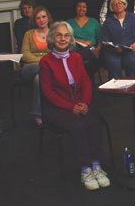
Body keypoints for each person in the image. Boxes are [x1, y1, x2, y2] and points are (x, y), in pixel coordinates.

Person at [39, 21, 110, 191]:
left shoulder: (77, 57)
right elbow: (48, 92)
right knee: (77, 124)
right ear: (52, 38)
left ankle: (96, 165)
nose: (62, 38)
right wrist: (70, 106)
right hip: (57, 107)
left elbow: (86, 82)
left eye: (66, 35)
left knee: (94, 121)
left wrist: (85, 102)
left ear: (71, 39)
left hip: (79, 102)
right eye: (58, 35)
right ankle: (85, 169)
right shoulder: (45, 62)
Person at [101, 0, 135, 79]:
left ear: (124, 4)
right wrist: (114, 47)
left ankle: (131, 83)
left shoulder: (134, 17)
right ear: (111, 7)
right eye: (114, 4)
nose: (117, 5)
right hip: (114, 49)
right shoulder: (108, 22)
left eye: (120, 3)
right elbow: (105, 39)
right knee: (113, 62)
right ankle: (117, 86)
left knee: (131, 60)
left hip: (133, 48)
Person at [21, 6, 51, 126]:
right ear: (35, 20)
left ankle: (38, 113)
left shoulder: (55, 33)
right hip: (30, 68)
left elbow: (58, 52)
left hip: (46, 69)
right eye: (38, 18)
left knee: (39, 78)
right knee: (43, 68)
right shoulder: (28, 34)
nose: (41, 20)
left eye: (43, 17)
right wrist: (44, 61)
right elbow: (25, 55)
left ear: (48, 17)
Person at [67, 1, 101, 80]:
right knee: (73, 51)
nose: (81, 9)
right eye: (79, 6)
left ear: (87, 9)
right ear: (75, 8)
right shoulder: (69, 22)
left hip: (91, 48)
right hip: (75, 47)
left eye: (84, 7)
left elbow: (100, 39)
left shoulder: (93, 22)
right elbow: (66, 37)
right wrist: (82, 41)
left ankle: (84, 80)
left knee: (88, 51)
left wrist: (98, 49)